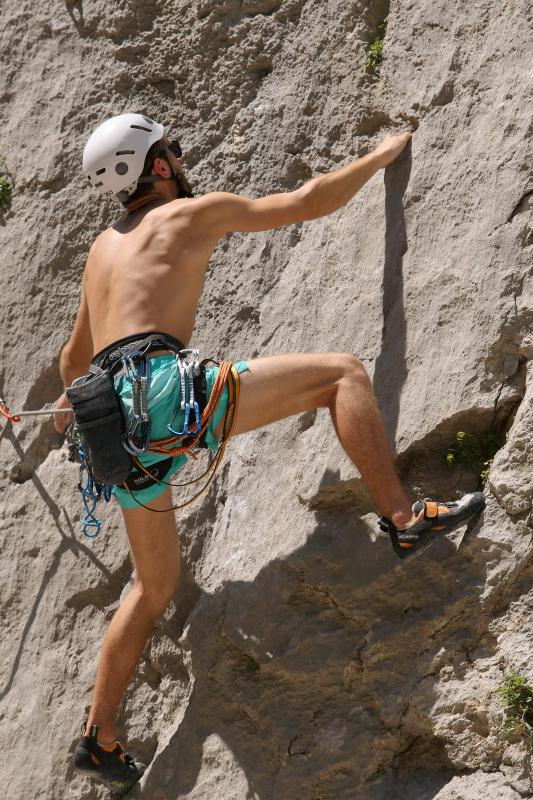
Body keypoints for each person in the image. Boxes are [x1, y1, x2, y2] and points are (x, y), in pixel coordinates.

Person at [54, 113, 485, 795]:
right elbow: (309, 200)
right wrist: (380, 155)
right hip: (164, 396)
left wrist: (65, 420)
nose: (180, 156)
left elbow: (74, 360)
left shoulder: (101, 250)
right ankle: (405, 519)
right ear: (157, 166)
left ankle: (100, 738)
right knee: (340, 374)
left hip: (111, 429)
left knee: (152, 587)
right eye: (172, 148)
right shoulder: (191, 214)